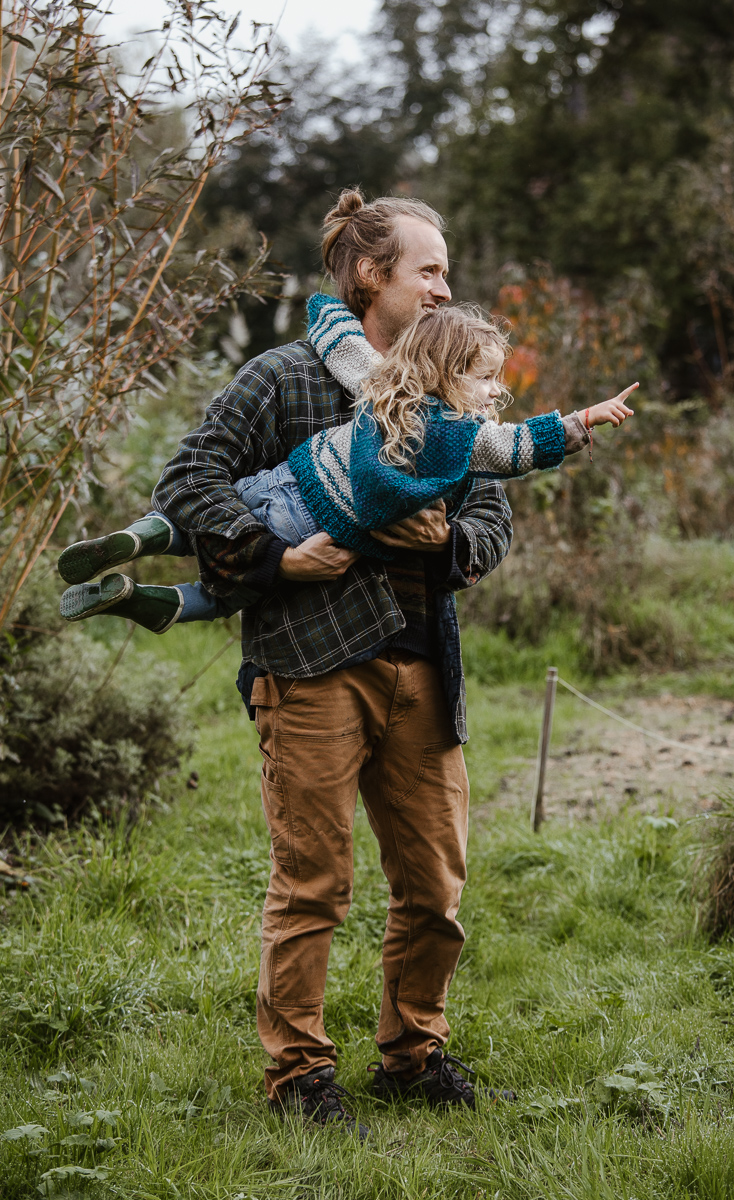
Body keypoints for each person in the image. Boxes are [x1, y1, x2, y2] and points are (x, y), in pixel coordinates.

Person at [58, 188, 628, 1139]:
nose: (446, 286)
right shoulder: (284, 379)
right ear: (373, 275)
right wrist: (277, 557)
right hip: (310, 661)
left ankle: (413, 1056)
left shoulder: (454, 385)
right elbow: (189, 481)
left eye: (446, 269)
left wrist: (443, 536)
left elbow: (490, 524)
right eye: (429, 268)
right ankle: (299, 1075)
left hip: (423, 667)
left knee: (435, 889)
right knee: (314, 883)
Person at [57, 304, 635, 631]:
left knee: (207, 520)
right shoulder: (465, 436)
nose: (494, 391)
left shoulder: (380, 385)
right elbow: (520, 446)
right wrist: (585, 419)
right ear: (443, 372)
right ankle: (140, 599)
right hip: (313, 529)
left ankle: (136, 537)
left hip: (286, 481)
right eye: (483, 377)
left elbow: (339, 343)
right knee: (227, 592)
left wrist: (332, 304)